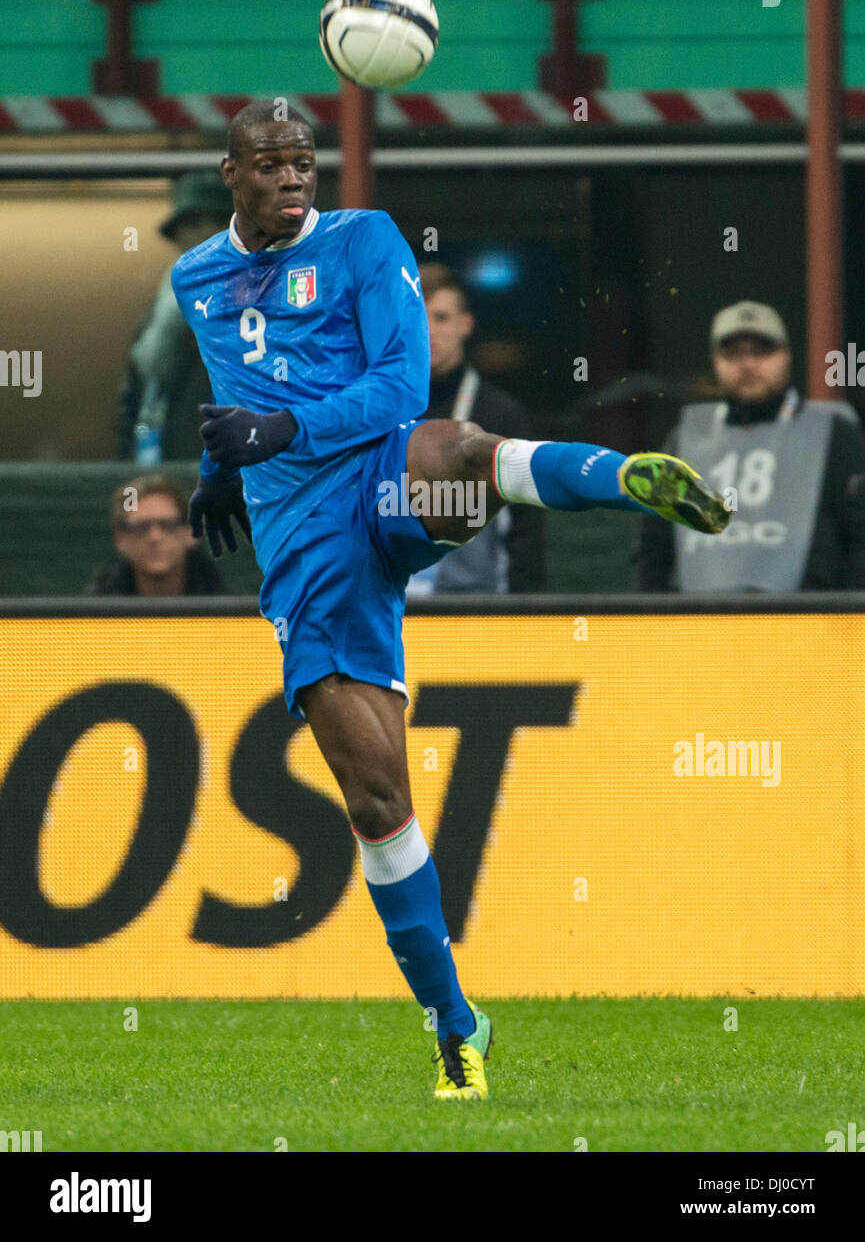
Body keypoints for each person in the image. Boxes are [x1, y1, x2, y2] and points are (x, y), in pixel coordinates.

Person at [170, 98, 730, 1101]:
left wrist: (281, 429)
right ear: (231, 172)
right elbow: (232, 388)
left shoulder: (359, 240)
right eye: (274, 164)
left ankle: (623, 473)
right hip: (301, 541)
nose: (295, 178)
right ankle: (454, 1022)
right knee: (378, 799)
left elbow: (400, 384)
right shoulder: (195, 274)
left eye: (305, 162)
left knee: (457, 453)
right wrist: (223, 465)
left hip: (373, 466)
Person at [636, 301, 865, 593]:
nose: (747, 364)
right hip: (699, 628)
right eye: (733, 354)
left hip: (809, 626)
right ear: (715, 361)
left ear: (786, 356)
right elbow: (654, 545)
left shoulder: (832, 432)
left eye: (761, 351)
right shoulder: (686, 437)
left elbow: (859, 537)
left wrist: (845, 624)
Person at [406, 262, 545, 595]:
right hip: (389, 610)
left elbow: (526, 528)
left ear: (465, 325)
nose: (428, 329)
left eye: (440, 317)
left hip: (478, 614)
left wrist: (525, 614)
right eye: (417, 317)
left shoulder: (500, 414)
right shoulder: (375, 409)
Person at [116, 173, 234, 464]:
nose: (187, 237)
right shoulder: (162, 306)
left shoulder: (254, 302)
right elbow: (133, 396)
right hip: (162, 470)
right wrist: (127, 471)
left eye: (198, 223)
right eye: (182, 227)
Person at [84, 474, 223, 597]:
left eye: (167, 525)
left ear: (191, 533)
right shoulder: (92, 618)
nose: (154, 537)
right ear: (121, 539)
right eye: (141, 527)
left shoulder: (230, 615)